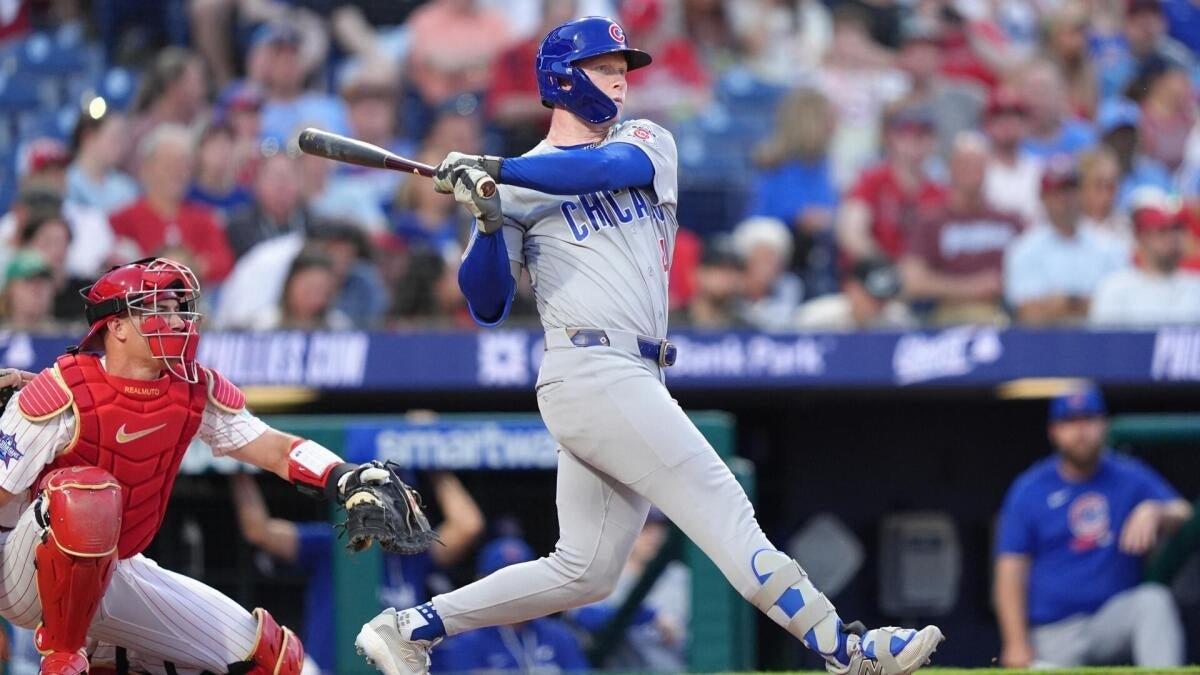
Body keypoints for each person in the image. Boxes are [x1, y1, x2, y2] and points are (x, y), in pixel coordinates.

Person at [354, 16, 944, 675]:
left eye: (622, 69)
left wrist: (499, 168)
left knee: (585, 571)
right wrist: (489, 220)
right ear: (561, 79)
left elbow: (606, 168)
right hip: (589, 366)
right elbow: (486, 303)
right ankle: (844, 648)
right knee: (725, 511)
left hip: (632, 371)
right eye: (604, 68)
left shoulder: (643, 140)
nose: (619, 81)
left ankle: (411, 626)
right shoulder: (512, 188)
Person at [0, 256, 376, 674]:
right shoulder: (59, 391)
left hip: (115, 569)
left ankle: (103, 654)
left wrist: (344, 477)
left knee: (269, 658)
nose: (177, 321)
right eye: (159, 309)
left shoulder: (194, 389)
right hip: (25, 573)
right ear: (117, 327)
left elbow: (274, 448)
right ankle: (62, 657)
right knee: (87, 493)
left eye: (178, 309)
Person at [994, 384, 1191, 668]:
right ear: (1053, 431)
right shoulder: (1030, 488)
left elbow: (1184, 512)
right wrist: (1015, 643)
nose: (1081, 431)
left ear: (1104, 425)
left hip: (1109, 620)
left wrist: (1156, 510)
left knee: (1153, 601)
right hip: (1053, 633)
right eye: (1070, 422)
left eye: (1089, 419)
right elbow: (1011, 572)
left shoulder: (1129, 476)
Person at [230, 468, 484, 675]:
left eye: (398, 498)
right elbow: (259, 530)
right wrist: (238, 468)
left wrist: (435, 465)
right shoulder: (331, 544)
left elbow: (468, 526)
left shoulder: (413, 554)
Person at [901, 133, 1022, 325]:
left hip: (1003, 316)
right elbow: (913, 281)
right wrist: (972, 287)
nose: (972, 172)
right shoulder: (930, 222)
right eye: (965, 165)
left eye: (978, 165)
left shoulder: (1009, 220)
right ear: (951, 168)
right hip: (944, 319)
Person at [437, 536, 591, 673]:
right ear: (481, 583)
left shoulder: (559, 635)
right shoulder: (468, 642)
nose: (514, 588)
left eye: (522, 578)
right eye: (503, 579)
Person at [1004, 159, 1129, 325]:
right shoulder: (1023, 248)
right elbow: (1030, 314)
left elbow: (1116, 308)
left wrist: (1063, 303)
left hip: (1099, 338)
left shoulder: (1109, 245)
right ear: (1043, 197)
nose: (1066, 200)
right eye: (1057, 192)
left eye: (1071, 191)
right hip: (1044, 339)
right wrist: (1084, 302)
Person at [109, 125, 234, 286]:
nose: (177, 172)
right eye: (168, 163)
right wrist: (189, 267)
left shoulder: (205, 220)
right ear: (147, 168)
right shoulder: (123, 220)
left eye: (184, 164)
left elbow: (223, 264)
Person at [748, 87, 840, 299]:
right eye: (828, 119)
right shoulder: (776, 165)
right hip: (775, 255)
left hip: (812, 253)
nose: (834, 126)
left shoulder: (822, 165)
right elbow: (793, 217)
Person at [836, 106, 947, 264]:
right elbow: (851, 234)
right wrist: (888, 267)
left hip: (920, 273)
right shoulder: (871, 180)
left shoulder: (939, 192)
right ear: (891, 137)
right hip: (874, 270)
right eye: (908, 133)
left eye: (924, 134)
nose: (916, 142)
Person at [1090, 193, 1200, 325]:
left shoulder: (1196, 286)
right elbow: (1104, 337)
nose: (1172, 238)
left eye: (1176, 229)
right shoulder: (1115, 288)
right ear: (1141, 238)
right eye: (1162, 231)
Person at [65, 106, 139, 216]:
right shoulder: (64, 183)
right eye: (115, 138)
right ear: (89, 137)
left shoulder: (126, 187)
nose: (122, 145)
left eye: (124, 139)